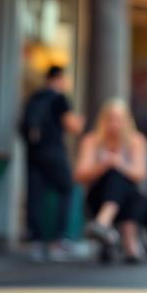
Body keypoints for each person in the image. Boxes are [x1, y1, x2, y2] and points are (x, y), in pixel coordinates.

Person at [20, 65, 84, 261]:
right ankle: (59, 241)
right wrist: (79, 121)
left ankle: (36, 243)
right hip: (54, 152)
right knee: (66, 189)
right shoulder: (58, 97)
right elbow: (72, 126)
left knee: (35, 195)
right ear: (59, 79)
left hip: (33, 153)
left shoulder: (35, 97)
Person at [74, 98, 147, 262]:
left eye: (119, 119)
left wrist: (119, 163)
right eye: (110, 119)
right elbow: (80, 174)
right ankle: (129, 243)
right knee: (113, 175)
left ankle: (104, 226)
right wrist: (104, 165)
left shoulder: (136, 140)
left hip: (130, 197)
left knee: (122, 179)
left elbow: (141, 174)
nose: (114, 124)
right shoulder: (92, 140)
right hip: (97, 197)